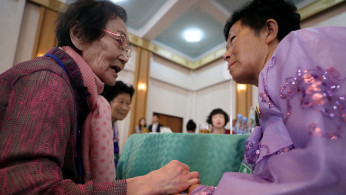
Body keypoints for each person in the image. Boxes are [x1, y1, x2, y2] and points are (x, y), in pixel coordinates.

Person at [0, 0, 200, 194]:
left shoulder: (77, 94)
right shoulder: (47, 80)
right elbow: (29, 188)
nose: (124, 57)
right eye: (119, 41)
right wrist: (146, 184)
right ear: (79, 35)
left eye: (126, 50)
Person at [190, 0, 346, 194]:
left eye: (233, 40)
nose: (226, 55)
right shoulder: (269, 98)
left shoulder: (298, 47)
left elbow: (327, 172)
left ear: (269, 31)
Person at [100, 80, 134, 171]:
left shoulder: (115, 126)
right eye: (121, 102)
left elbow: (115, 154)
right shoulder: (98, 123)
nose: (125, 108)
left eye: (128, 103)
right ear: (109, 100)